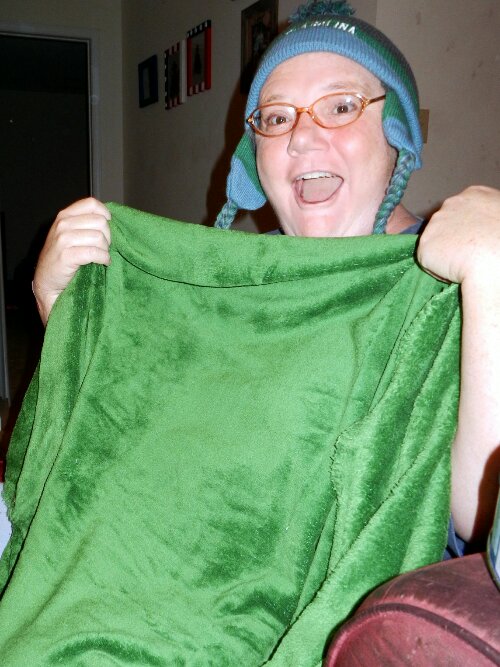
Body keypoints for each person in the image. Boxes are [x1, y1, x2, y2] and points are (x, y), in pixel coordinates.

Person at [32, 1, 499, 555]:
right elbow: (130, 418)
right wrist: (57, 303)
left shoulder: (457, 285)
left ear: (398, 133)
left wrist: (491, 272)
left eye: (341, 106)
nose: (301, 138)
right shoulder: (234, 283)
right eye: (277, 118)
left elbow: (477, 519)